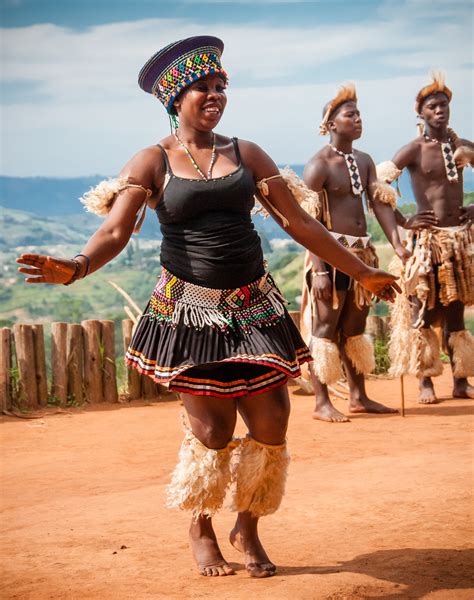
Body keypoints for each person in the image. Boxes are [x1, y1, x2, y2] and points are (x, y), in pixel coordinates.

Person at [16, 36, 399, 578]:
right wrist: (76, 266)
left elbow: (299, 222)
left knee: (273, 421)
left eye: (221, 86)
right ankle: (201, 526)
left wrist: (361, 270)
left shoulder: (247, 153)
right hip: (188, 312)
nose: (216, 94)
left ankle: (248, 525)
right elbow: (117, 228)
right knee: (214, 433)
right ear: (176, 96)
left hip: (256, 307)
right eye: (203, 87)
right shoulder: (153, 160)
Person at [299, 83, 408, 422]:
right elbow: (307, 222)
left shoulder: (363, 160)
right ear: (331, 124)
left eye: (359, 114)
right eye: (350, 115)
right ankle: (321, 402)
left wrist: (398, 244)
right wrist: (318, 270)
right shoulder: (319, 165)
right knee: (325, 327)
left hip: (363, 256)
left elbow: (379, 204)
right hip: (330, 257)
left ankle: (359, 397)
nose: (358, 119)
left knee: (354, 325)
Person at [378, 72, 474, 404]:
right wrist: (404, 220)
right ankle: (426, 382)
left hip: (459, 241)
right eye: (432, 106)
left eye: (444, 105)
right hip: (428, 242)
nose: (439, 110)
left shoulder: (462, 147)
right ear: (421, 113)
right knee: (423, 310)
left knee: (456, 311)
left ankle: (460, 380)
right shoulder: (414, 149)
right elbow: (378, 189)